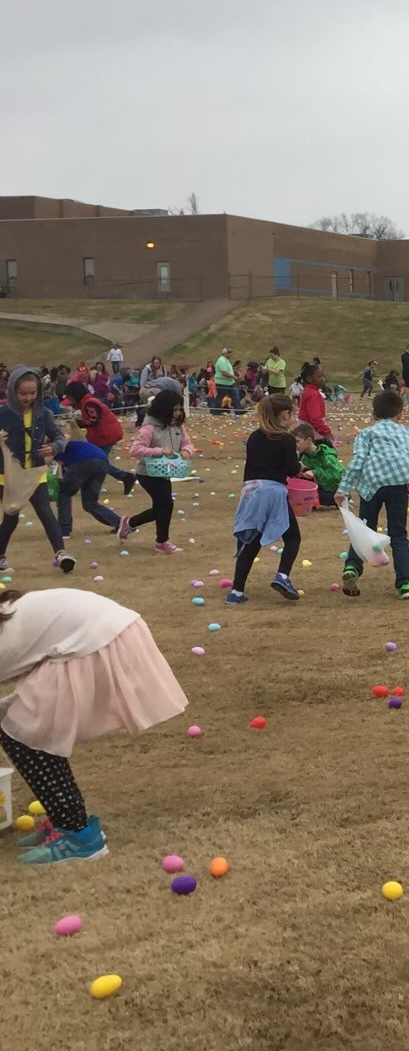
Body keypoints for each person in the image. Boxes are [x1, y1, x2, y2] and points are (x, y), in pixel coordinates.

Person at [0, 587, 187, 863]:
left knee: (24, 732)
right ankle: (63, 818)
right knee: (18, 723)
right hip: (100, 631)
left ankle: (77, 833)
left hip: (95, 640)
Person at [336, 389, 409, 600]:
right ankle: (405, 584)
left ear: (373, 415)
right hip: (398, 486)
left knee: (363, 530)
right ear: (400, 415)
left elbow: (357, 462)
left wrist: (343, 489)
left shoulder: (366, 433)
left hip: (371, 485)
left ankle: (352, 566)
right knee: (398, 535)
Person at [227, 394, 308, 605]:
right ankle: (282, 575)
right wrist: (301, 468)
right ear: (284, 415)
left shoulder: (254, 437)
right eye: (292, 414)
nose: (294, 419)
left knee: (252, 542)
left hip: (252, 492)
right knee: (292, 538)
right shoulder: (287, 440)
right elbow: (290, 468)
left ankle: (236, 591)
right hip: (273, 493)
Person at [0, 367, 72, 574]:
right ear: (13, 391)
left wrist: (55, 447)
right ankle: (1, 555)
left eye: (33, 393)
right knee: (11, 517)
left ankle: (61, 553)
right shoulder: (2, 414)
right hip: (8, 476)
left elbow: (60, 437)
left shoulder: (43, 414)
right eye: (23, 393)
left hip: (34, 472)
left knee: (45, 512)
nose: (28, 397)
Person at [119, 388, 193, 554]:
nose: (177, 413)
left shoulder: (177, 427)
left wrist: (187, 451)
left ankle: (130, 523)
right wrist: (159, 451)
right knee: (165, 504)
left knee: (162, 506)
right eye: (174, 409)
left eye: (179, 409)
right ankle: (161, 541)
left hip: (165, 471)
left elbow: (187, 442)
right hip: (147, 473)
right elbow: (135, 450)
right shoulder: (149, 428)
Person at [53, 420, 125, 540]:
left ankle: (63, 530)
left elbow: (50, 464)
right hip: (102, 461)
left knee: (64, 493)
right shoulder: (67, 443)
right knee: (89, 503)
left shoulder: (53, 447)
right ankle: (120, 524)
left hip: (84, 461)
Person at [292, 422, 344, 507]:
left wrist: (316, 472)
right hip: (318, 488)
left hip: (332, 489)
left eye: (298, 441)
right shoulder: (304, 456)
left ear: (309, 440)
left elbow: (337, 477)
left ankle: (341, 498)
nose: (295, 445)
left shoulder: (326, 455)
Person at [296, 362, 334, 447]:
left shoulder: (309, 391)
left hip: (307, 431)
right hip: (313, 433)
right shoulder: (313, 394)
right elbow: (315, 417)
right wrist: (325, 431)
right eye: (319, 377)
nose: (323, 379)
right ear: (309, 378)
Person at [213, 347, 238, 413]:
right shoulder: (222, 360)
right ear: (225, 353)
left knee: (234, 396)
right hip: (222, 382)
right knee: (220, 397)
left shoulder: (226, 360)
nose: (230, 354)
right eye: (229, 353)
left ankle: (238, 410)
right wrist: (233, 376)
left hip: (228, 382)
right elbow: (224, 373)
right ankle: (216, 411)